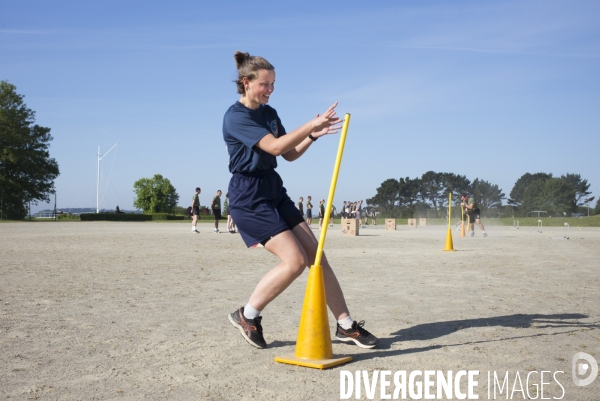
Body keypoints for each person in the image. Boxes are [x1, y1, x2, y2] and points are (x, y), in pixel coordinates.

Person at [223, 51, 378, 350]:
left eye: (273, 84)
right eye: (265, 84)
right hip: (249, 196)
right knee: (294, 261)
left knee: (316, 257)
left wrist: (313, 136)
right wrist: (310, 123)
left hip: (273, 189)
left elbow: (290, 154)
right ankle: (247, 315)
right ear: (246, 82)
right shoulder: (236, 117)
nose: (270, 90)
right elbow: (277, 146)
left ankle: (345, 325)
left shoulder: (270, 114)